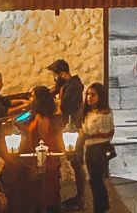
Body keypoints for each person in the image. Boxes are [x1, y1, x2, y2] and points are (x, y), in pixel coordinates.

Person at [46, 61, 85, 208]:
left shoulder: (74, 86)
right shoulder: (65, 85)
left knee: (76, 162)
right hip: (68, 127)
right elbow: (54, 91)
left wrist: (54, 103)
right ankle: (79, 198)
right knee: (74, 161)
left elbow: (64, 105)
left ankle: (80, 198)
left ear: (62, 74)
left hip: (73, 128)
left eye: (55, 75)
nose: (54, 78)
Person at [79, 84, 115, 213]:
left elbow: (110, 133)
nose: (89, 97)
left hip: (99, 149)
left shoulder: (105, 113)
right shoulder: (87, 112)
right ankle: (102, 206)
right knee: (93, 181)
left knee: (97, 180)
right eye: (88, 94)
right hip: (88, 149)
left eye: (93, 95)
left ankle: (100, 207)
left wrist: (92, 135)